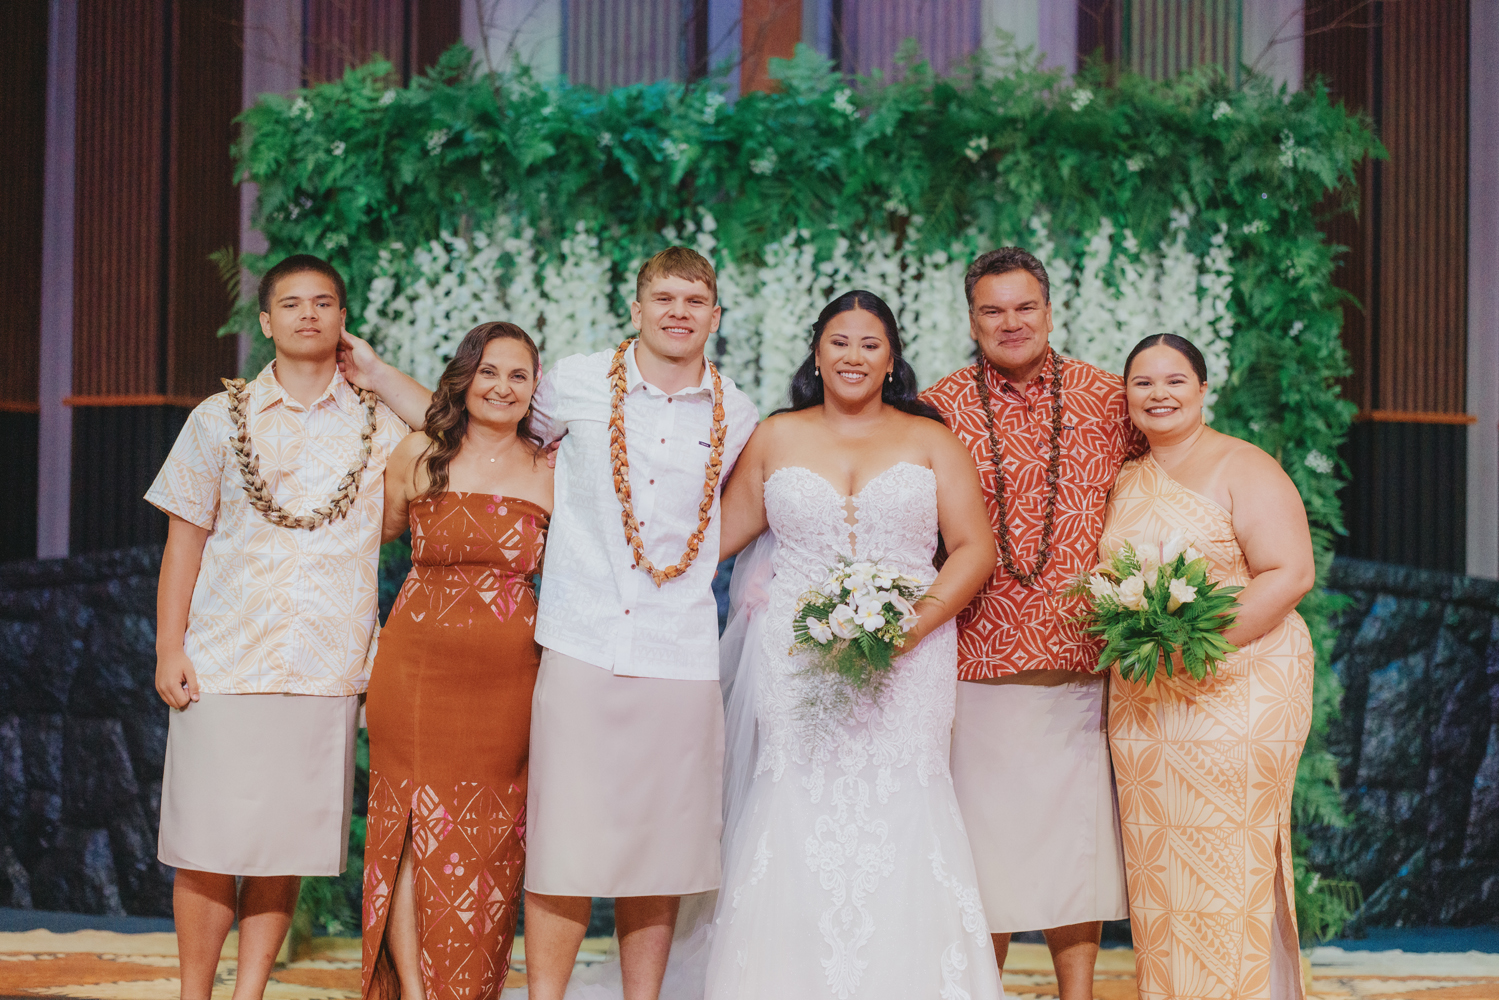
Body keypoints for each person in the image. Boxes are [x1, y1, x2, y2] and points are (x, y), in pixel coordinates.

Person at [337, 246, 760, 1000]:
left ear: (716, 315)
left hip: (676, 649)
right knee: (561, 845)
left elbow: (748, 510)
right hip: (576, 641)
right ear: (636, 308)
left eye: (694, 301)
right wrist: (377, 376)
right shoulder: (575, 383)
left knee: (660, 853)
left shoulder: (740, 414)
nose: (678, 313)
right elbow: (478, 424)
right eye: (663, 298)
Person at [707, 290, 1003, 999]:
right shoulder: (775, 436)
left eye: (870, 344)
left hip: (912, 655)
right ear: (816, 352)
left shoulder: (930, 440)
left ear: (891, 358)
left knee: (904, 798)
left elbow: (973, 548)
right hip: (797, 654)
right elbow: (714, 541)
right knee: (795, 795)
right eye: (839, 342)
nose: (853, 356)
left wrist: (911, 626)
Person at [146, 254, 408, 1000]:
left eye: (323, 302)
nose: (307, 314)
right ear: (266, 321)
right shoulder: (215, 418)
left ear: (343, 319)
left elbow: (448, 435)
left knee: (281, 848)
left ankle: (250, 992)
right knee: (205, 844)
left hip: (325, 665)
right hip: (224, 658)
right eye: (290, 303)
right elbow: (184, 541)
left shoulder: (380, 425)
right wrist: (169, 647)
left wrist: (380, 374)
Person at [920, 247, 1143, 999]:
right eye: (992, 310)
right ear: (971, 320)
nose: (1010, 322)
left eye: (1024, 307)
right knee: (983, 854)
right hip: (972, 663)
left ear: (1049, 311)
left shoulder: (1107, 397)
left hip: (1081, 664)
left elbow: (1163, 489)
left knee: (1074, 854)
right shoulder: (937, 407)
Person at [1101, 334, 1315, 1000]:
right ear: (1126, 395)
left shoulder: (1242, 465)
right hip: (1147, 696)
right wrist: (1150, 645)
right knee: (1162, 868)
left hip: (1241, 681)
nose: (1158, 394)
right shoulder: (1125, 477)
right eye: (1142, 383)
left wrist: (1191, 645)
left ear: (1202, 389)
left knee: (1228, 854)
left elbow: (1289, 573)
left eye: (1174, 381)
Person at [360, 323, 553, 1000]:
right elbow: (378, 537)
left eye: (518, 375)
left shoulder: (552, 468)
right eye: (488, 371)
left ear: (535, 388)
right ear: (465, 377)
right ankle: (415, 992)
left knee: (491, 836)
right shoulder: (418, 453)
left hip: (510, 682)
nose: (502, 387)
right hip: (414, 672)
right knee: (412, 828)